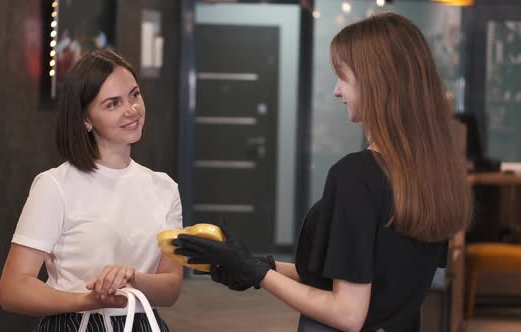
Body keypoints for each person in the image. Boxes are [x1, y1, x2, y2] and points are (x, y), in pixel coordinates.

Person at [173, 13, 472, 332]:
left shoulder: (358, 176)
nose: (336, 91)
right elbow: (368, 277)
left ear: (376, 82)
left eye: (343, 77)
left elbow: (347, 313)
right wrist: (260, 266)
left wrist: (258, 274)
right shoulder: (435, 175)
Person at [0, 48, 183, 332]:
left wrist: (132, 279)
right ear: (86, 119)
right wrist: (88, 300)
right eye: (113, 104)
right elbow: (13, 290)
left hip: (143, 324)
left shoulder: (165, 188)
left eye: (134, 95)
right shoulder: (55, 185)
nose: (131, 109)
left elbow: (171, 288)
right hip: (74, 324)